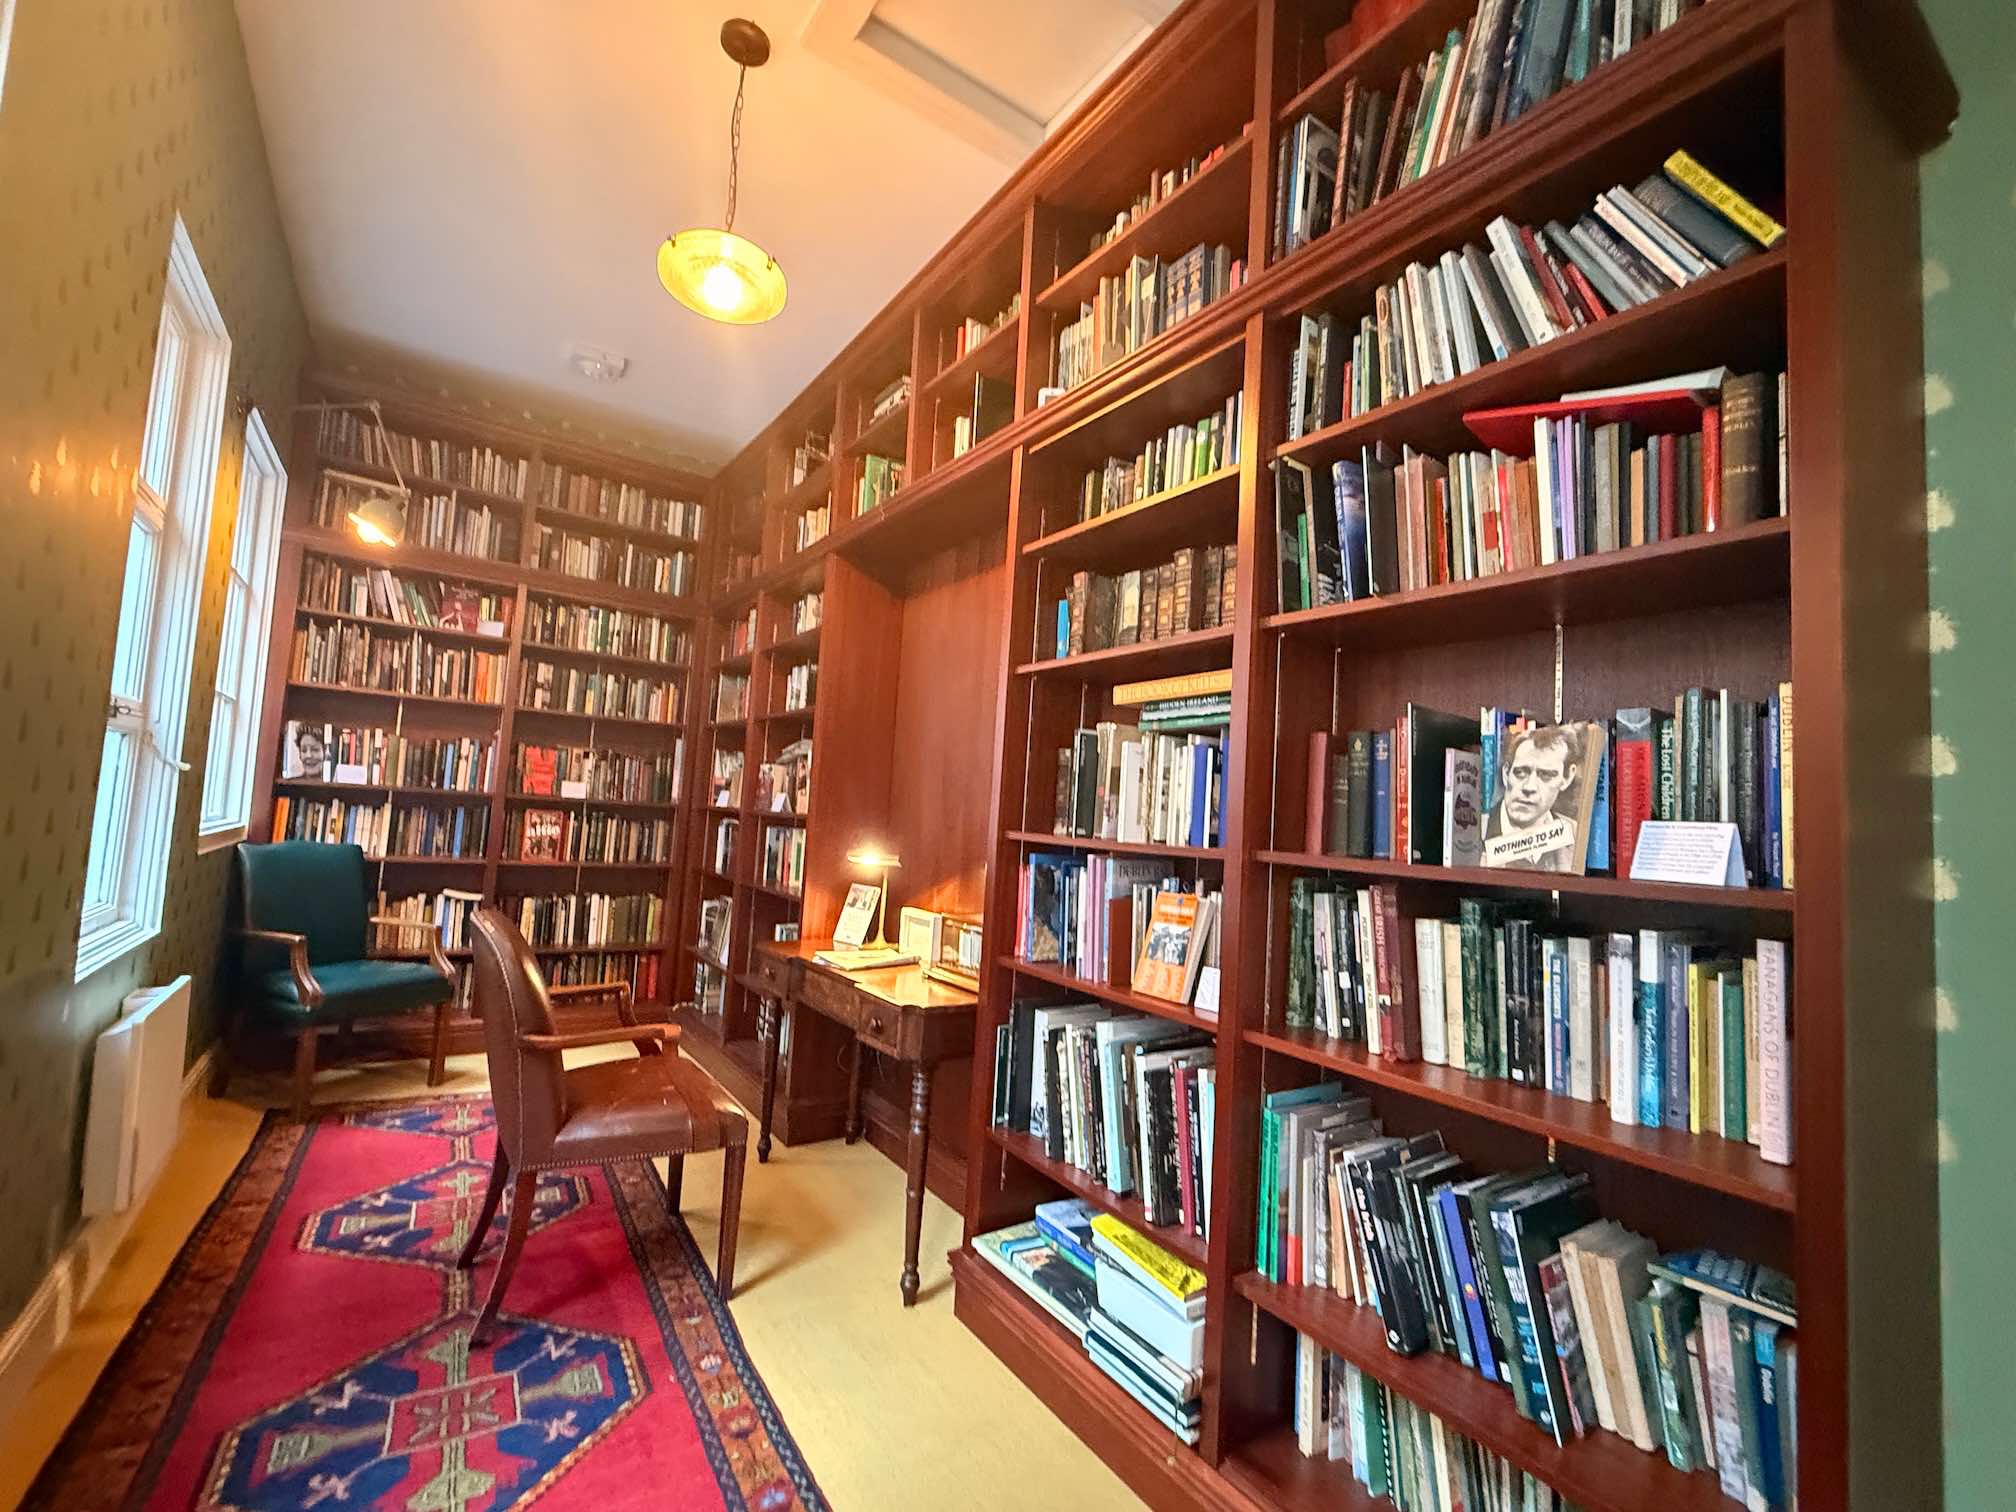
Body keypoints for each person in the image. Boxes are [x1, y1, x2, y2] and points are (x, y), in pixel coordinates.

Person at [1482, 724, 1582, 873]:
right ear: (1506, 774)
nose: (1529, 787)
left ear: (1567, 778)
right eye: (1521, 772)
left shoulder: (1576, 836)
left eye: (1546, 775)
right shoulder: (1479, 831)